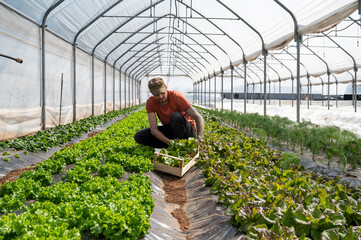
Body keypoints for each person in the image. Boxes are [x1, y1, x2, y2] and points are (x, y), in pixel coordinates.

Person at [134, 77, 204, 148]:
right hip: (172, 130)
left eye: (162, 93)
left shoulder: (177, 97)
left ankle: (180, 145)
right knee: (139, 136)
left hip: (187, 133)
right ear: (152, 93)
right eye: (157, 95)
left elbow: (198, 117)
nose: (160, 97)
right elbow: (153, 129)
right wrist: (169, 142)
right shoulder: (150, 102)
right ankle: (174, 145)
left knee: (175, 116)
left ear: (166, 88)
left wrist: (199, 138)